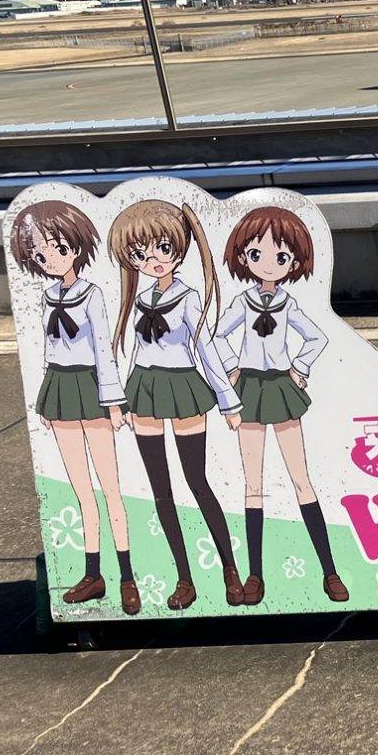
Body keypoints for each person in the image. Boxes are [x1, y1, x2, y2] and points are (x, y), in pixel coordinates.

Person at [109, 199, 243, 609]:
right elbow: (137, 350)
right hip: (144, 388)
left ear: (179, 249)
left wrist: (228, 402)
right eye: (139, 254)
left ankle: (230, 569)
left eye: (162, 249)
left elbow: (205, 348)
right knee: (161, 490)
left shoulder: (188, 297)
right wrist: (122, 397)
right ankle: (185, 579)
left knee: (196, 481)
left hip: (183, 387)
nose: (152, 260)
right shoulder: (140, 299)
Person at [9, 201, 140, 614]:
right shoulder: (48, 296)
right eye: (39, 254)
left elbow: (103, 347)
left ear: (76, 247)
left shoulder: (92, 294)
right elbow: (49, 349)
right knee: (82, 491)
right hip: (60, 388)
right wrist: (46, 396)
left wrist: (113, 401)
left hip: (90, 386)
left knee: (110, 488)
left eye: (57, 248)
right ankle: (93, 574)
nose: (49, 259)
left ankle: (128, 576)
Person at [214, 206, 348, 605]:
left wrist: (299, 368)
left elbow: (317, 338)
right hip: (250, 388)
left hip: (280, 388)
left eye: (281, 256)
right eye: (256, 254)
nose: (268, 263)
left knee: (301, 479)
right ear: (243, 257)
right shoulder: (242, 302)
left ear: (293, 262)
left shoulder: (288, 304)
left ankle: (330, 571)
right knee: (253, 484)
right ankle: (255, 575)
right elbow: (218, 337)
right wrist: (232, 369)